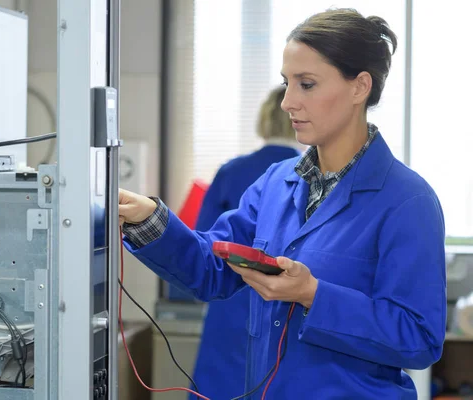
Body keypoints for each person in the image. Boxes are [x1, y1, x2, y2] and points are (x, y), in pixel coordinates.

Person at [119, 8, 446, 399]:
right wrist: (150, 220)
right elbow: (210, 269)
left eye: (306, 84)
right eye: (286, 83)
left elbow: (419, 338)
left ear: (360, 87)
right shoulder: (276, 183)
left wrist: (313, 294)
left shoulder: (408, 201)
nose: (288, 101)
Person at [190, 86, 303, 399]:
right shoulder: (315, 177)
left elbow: (202, 248)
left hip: (230, 306)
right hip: (287, 309)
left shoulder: (232, 172)